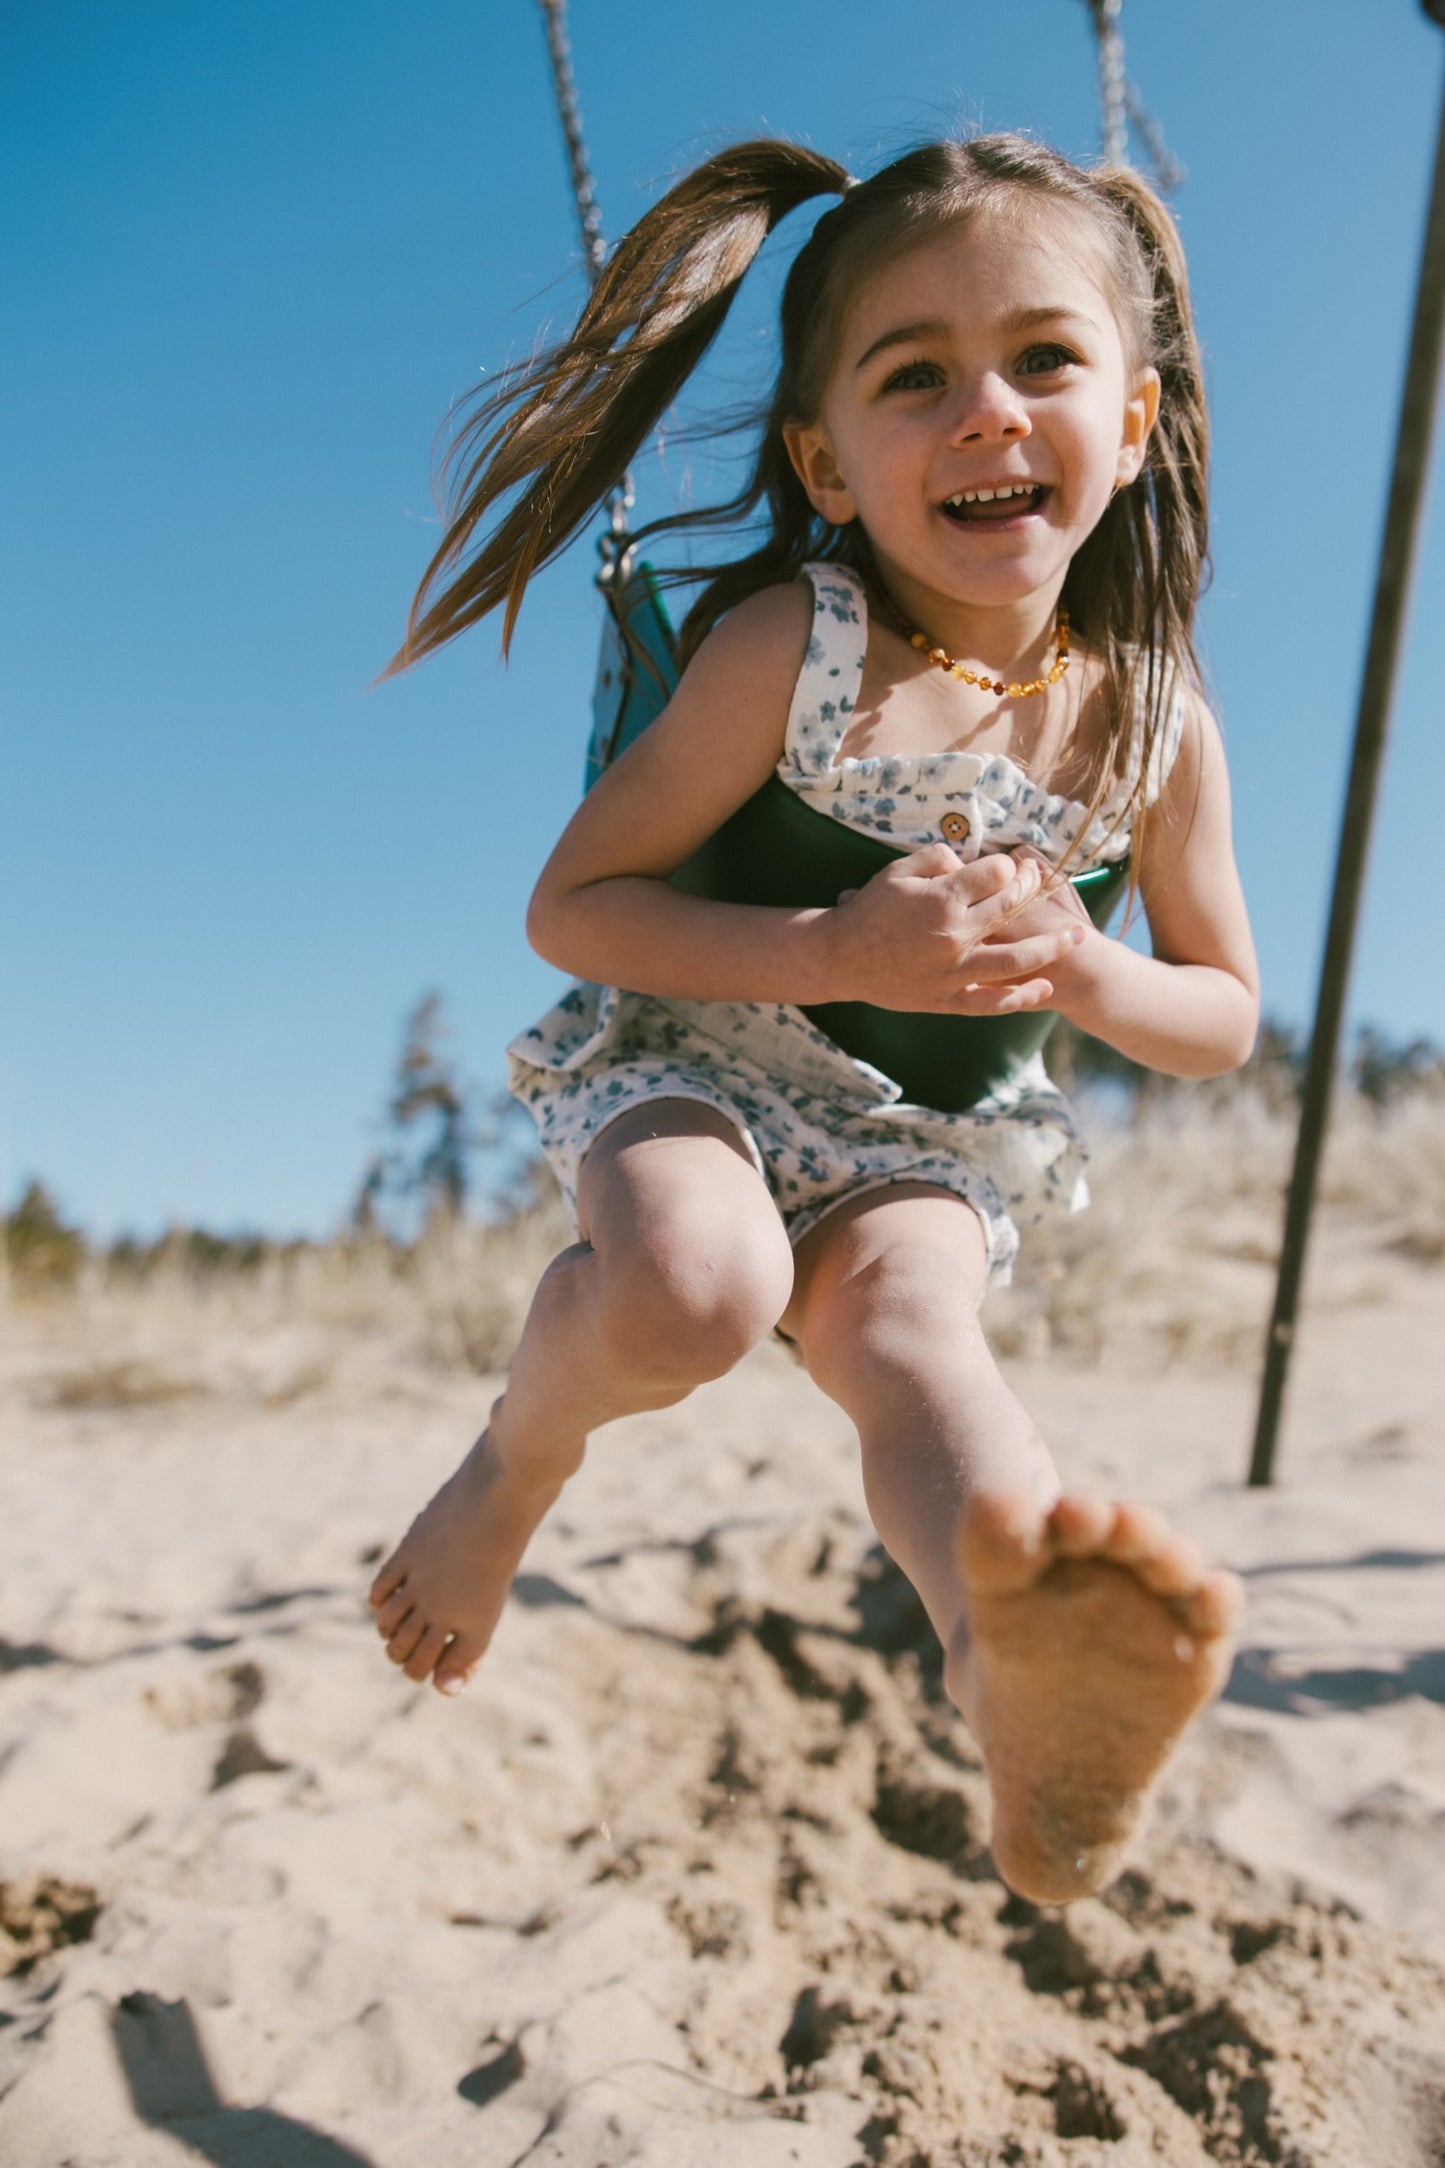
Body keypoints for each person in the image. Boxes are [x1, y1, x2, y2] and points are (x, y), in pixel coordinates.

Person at [369, 134, 1258, 1903]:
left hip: (921, 1140)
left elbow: (1219, 1016)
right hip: (692, 1064)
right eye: (913, 377)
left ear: (1135, 424)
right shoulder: (793, 640)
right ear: (822, 463)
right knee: (701, 1292)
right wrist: (839, 942)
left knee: (920, 1335)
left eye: (1044, 359)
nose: (985, 410)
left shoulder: (1155, 725)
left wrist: (1080, 970)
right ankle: (511, 1465)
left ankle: (1006, 1664)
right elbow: (577, 908)